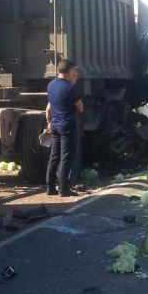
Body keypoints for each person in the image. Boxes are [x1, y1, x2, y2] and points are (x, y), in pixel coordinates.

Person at [45, 59, 84, 196]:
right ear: (70, 70)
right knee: (66, 157)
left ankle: (50, 187)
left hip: (54, 125)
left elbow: (48, 109)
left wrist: (49, 123)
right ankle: (63, 189)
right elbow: (80, 107)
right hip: (67, 126)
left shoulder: (51, 85)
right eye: (75, 71)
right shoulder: (69, 88)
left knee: (54, 156)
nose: (76, 74)